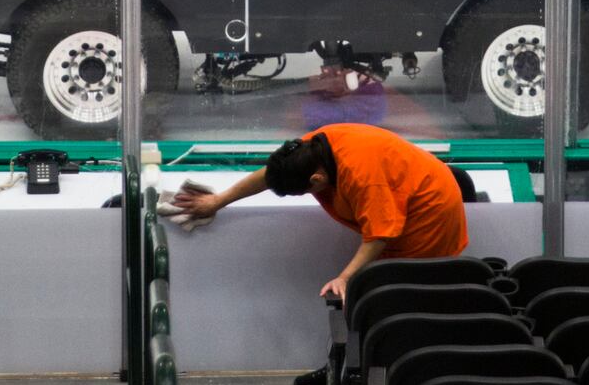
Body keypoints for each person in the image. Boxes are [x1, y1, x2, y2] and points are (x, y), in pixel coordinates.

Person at [166, 123, 466, 300]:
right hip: (397, 204)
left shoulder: (361, 175)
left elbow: (380, 234)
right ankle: (349, 365)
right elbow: (271, 175)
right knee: (373, 291)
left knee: (398, 296)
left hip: (430, 215)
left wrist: (345, 277)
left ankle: (390, 375)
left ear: (316, 181)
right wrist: (217, 201)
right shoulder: (310, 150)